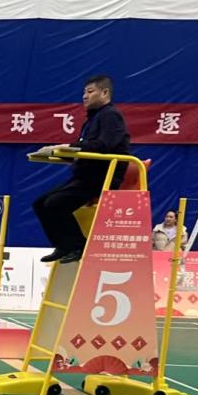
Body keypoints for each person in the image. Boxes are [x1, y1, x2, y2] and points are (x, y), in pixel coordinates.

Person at [35, 75, 131, 264]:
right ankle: (64, 245)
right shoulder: (91, 120)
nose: (84, 96)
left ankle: (79, 245)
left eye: (90, 91)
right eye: (84, 92)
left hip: (101, 177)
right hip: (84, 176)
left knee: (55, 203)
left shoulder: (111, 115)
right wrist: (56, 152)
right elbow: (85, 148)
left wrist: (70, 147)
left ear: (104, 93)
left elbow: (104, 145)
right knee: (40, 204)